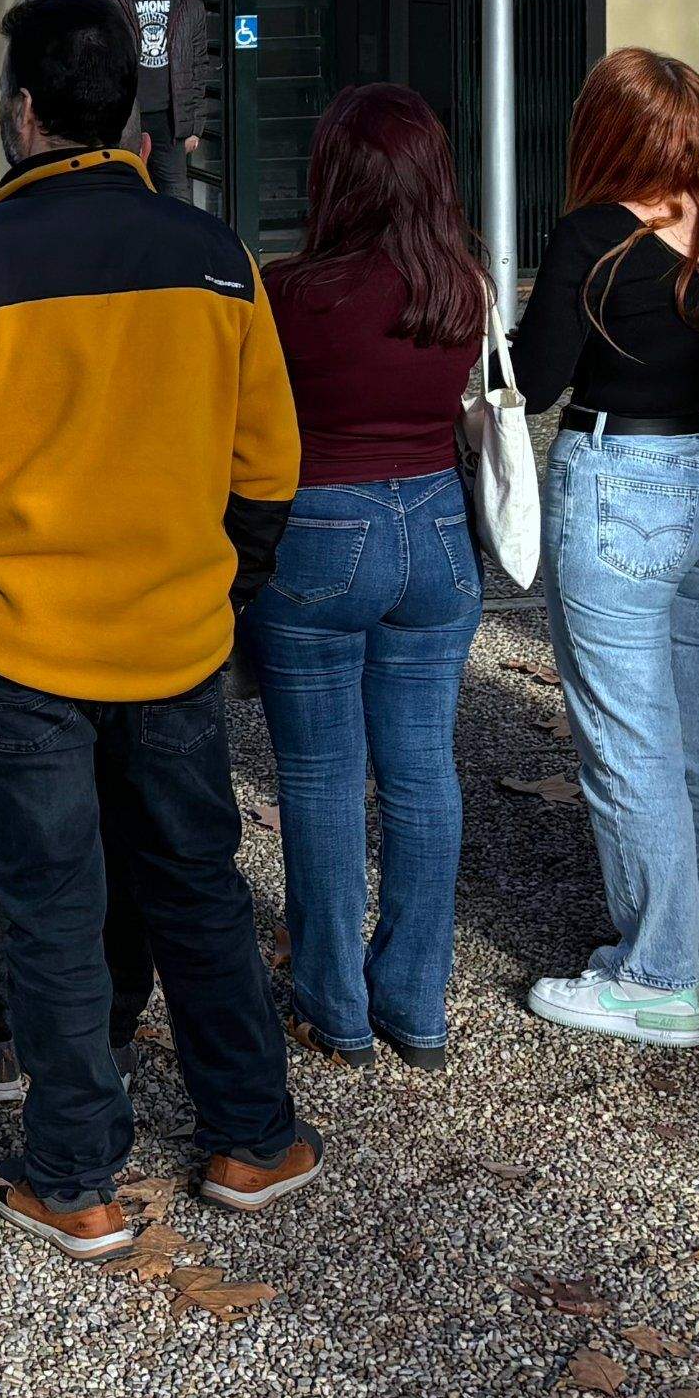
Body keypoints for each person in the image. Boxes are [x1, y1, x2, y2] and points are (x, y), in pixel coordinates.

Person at [0, 0, 315, 1255]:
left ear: (20, 113)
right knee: (197, 884)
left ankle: (77, 1172)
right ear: (129, 114)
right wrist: (228, 584)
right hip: (170, 633)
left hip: (15, 639)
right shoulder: (217, 254)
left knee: (50, 901)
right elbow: (268, 459)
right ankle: (253, 1131)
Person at [512, 49, 699, 1050]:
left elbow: (534, 379)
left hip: (626, 484)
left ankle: (651, 974)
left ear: (605, 132)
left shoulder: (593, 236)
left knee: (628, 740)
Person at [251, 86, 488, 1069]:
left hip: (321, 523)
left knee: (320, 776)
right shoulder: (461, 285)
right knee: (424, 771)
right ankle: (415, 1002)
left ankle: (333, 1003)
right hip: (435, 522)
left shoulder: (290, 290)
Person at [112, 0, 224, 214]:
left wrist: (194, 126)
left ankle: (177, 256)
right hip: (123, 116)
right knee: (122, 196)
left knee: (176, 201)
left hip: (169, 121)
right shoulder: (111, 0)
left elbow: (200, 66)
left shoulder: (191, 7)